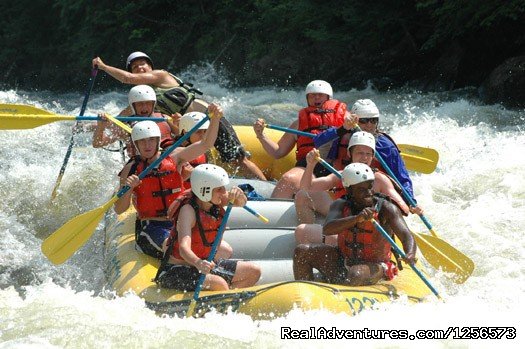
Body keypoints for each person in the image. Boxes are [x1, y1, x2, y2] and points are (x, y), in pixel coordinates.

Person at [92, 52, 266, 180]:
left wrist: (103, 66)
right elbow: (117, 120)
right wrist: (92, 125)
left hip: (208, 120)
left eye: (143, 64)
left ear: (150, 68)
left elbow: (128, 79)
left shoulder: (161, 75)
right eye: (135, 67)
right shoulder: (142, 100)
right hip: (188, 133)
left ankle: (265, 185)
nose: (139, 68)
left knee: (237, 159)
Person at [114, 104, 223, 259]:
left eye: (151, 140)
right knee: (173, 247)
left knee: (224, 250)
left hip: (179, 222)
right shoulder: (130, 169)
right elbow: (119, 209)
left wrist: (216, 119)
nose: (147, 145)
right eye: (142, 141)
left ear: (158, 140)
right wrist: (128, 189)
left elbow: (206, 144)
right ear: (136, 144)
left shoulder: (175, 157)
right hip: (153, 227)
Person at [293, 163, 417, 286]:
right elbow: (328, 229)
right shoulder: (340, 204)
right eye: (362, 189)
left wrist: (410, 253)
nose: (369, 192)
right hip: (344, 258)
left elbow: (406, 235)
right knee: (302, 251)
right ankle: (305, 291)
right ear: (349, 190)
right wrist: (357, 219)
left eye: (370, 186)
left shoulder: (386, 208)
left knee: (356, 274)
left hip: (375, 265)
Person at [294, 131, 421, 245]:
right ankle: (316, 245)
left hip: (365, 230)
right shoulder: (342, 174)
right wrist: (310, 165)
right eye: (359, 153)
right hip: (343, 221)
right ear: (350, 153)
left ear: (373, 156)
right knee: (302, 198)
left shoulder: (380, 179)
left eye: (368, 154)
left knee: (332, 237)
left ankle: (330, 245)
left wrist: (411, 207)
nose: (364, 158)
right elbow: (306, 187)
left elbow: (401, 207)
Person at [156, 164, 261, 291]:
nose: (224, 192)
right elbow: (184, 248)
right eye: (219, 189)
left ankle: (225, 301)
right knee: (220, 284)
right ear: (204, 190)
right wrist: (198, 263)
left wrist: (240, 195)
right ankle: (222, 298)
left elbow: (241, 202)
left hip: (205, 264)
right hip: (176, 270)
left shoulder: (216, 199)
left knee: (254, 271)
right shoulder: (188, 211)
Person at [253, 80, 347, 198]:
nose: (316, 98)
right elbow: (278, 152)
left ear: (329, 97)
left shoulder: (345, 118)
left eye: (320, 95)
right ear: (307, 99)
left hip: (336, 167)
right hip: (307, 168)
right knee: (288, 179)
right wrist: (261, 135)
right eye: (312, 95)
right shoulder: (299, 124)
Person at [312, 98, 416, 202]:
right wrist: (342, 128)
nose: (369, 125)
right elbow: (317, 141)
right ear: (354, 121)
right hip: (342, 193)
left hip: (372, 196)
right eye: (364, 121)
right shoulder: (341, 136)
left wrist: (410, 200)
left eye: (373, 120)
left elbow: (402, 177)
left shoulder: (385, 146)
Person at [92, 84, 179, 157]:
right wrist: (101, 126)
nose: (144, 107)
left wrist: (179, 123)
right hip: (141, 168)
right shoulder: (126, 127)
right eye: (140, 104)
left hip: (169, 160)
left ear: (153, 104)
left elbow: (184, 137)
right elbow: (97, 144)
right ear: (133, 106)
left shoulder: (164, 118)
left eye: (148, 103)